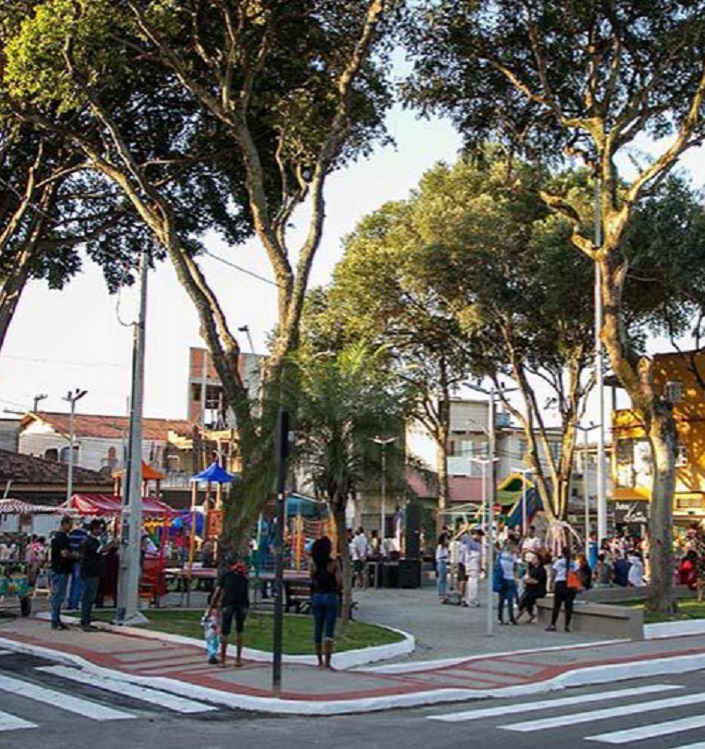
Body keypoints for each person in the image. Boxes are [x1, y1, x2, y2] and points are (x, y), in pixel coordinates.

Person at [310, 536, 343, 670]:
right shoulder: (333, 564)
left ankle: (319, 661)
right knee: (329, 629)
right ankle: (327, 662)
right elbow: (339, 581)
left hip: (317, 596)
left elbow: (312, 578)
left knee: (318, 628)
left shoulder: (314, 564)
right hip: (331, 596)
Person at [210, 559, 250, 667]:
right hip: (242, 604)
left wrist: (212, 605)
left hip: (228, 603)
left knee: (225, 631)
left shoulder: (226, 576)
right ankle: (238, 659)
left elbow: (217, 591)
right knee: (239, 630)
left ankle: (223, 660)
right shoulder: (244, 577)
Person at [50, 515, 78, 630]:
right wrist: (74, 555)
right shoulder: (61, 537)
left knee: (58, 595)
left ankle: (56, 619)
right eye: (70, 524)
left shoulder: (59, 536)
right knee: (59, 595)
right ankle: (55, 620)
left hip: (59, 569)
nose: (71, 527)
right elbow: (64, 553)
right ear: (64, 524)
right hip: (60, 569)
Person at [80, 519, 105, 632]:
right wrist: (111, 544)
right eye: (99, 528)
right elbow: (100, 551)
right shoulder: (90, 542)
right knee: (88, 597)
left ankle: (87, 619)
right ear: (94, 529)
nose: (101, 531)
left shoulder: (93, 541)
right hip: (90, 572)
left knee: (90, 597)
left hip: (93, 572)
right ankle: (85, 621)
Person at [546, 547, 578, 632]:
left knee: (557, 605)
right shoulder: (573, 563)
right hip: (570, 584)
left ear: (562, 554)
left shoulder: (559, 562)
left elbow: (553, 573)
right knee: (568, 605)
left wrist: (551, 583)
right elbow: (577, 573)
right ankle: (567, 625)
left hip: (560, 583)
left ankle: (553, 624)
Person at [516, 552, 547, 623]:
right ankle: (529, 614)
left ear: (539, 560)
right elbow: (528, 577)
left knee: (527, 599)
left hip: (538, 590)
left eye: (534, 558)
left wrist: (528, 580)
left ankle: (518, 617)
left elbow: (537, 581)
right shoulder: (532, 569)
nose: (532, 560)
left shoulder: (541, 570)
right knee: (522, 599)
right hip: (530, 589)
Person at [67, 520, 88, 610]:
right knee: (78, 583)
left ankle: (70, 603)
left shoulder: (71, 534)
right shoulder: (84, 535)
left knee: (73, 583)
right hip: (79, 561)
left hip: (71, 561)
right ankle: (74, 604)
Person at [497, 542, 518, 625]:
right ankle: (511, 618)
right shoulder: (513, 557)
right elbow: (515, 568)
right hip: (510, 578)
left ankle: (500, 618)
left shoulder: (501, 555)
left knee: (501, 600)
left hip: (502, 579)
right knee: (510, 600)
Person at [465, 529, 483, 607]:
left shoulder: (470, 542)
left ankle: (470, 599)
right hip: (473, 565)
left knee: (471, 582)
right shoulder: (476, 544)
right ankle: (472, 599)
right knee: (473, 583)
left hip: (470, 565)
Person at [435, 533, 450, 598]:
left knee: (444, 579)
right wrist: (445, 557)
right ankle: (440, 593)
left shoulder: (445, 547)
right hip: (441, 563)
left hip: (445, 563)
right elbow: (438, 556)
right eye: (446, 539)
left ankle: (443, 592)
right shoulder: (440, 547)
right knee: (441, 579)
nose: (447, 540)